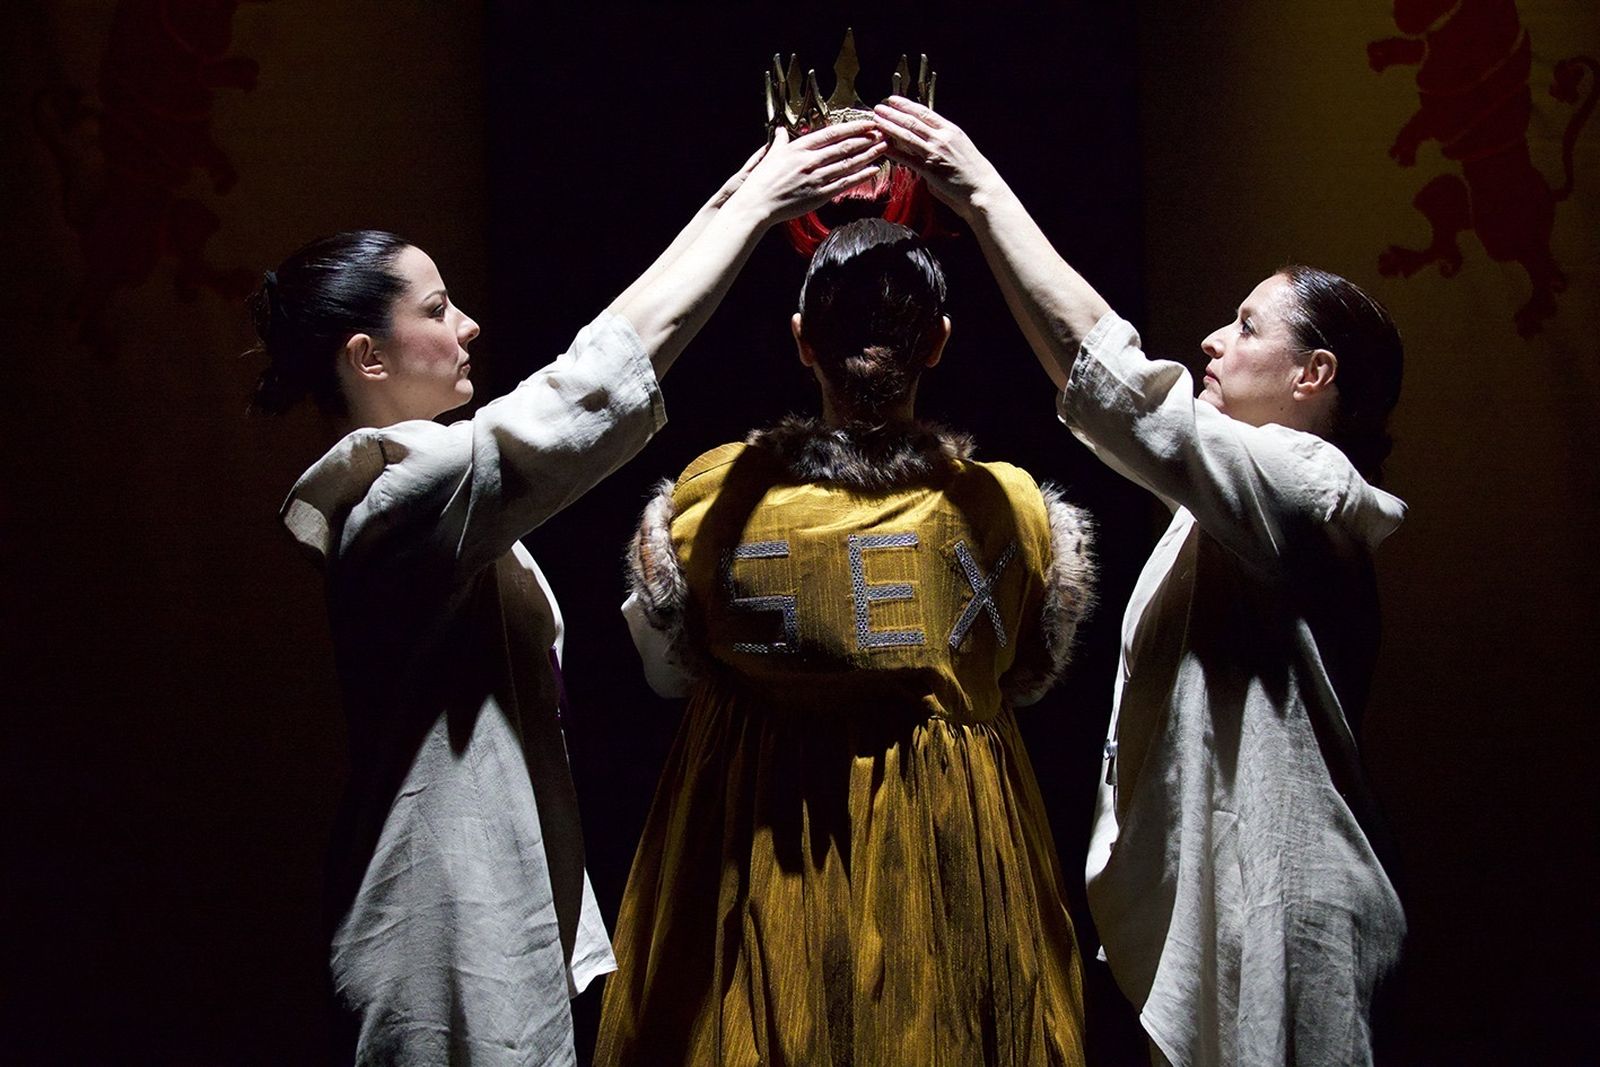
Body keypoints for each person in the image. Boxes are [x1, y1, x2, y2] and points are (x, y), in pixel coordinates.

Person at [249, 122, 887, 1066]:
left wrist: (749, 187)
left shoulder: (437, 497)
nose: (466, 325)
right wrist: (754, 209)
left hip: (483, 911)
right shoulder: (395, 500)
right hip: (435, 932)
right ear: (368, 357)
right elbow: (586, 386)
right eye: (437, 308)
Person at [872, 97, 1408, 1066]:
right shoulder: (1233, 507)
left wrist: (976, 184)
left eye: (1247, 326)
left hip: (1289, 921)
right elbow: (1116, 406)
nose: (1212, 338)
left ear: (1312, 374)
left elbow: (1122, 391)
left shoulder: (1301, 486)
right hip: (1245, 908)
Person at [596, 217, 1098, 1066]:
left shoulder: (713, 498)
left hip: (754, 853)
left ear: (803, 342)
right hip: (953, 861)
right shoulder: (1010, 508)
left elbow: (664, 672)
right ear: (937, 342)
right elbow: (1026, 677)